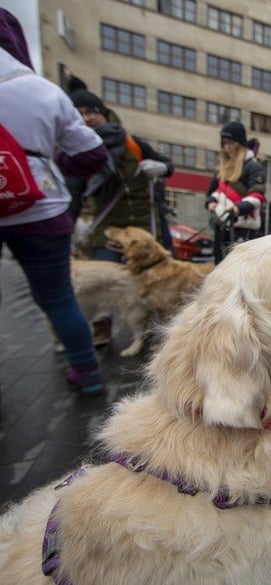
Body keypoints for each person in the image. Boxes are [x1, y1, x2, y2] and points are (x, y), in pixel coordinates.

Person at [0, 8, 109, 395]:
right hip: (39, 206)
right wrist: (44, 161)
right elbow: (94, 156)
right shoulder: (43, 91)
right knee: (59, 298)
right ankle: (88, 373)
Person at [69, 88, 173, 346]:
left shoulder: (132, 143)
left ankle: (151, 327)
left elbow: (167, 165)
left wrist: (162, 168)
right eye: (79, 113)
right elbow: (74, 192)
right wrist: (68, 228)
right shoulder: (78, 150)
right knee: (103, 280)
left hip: (142, 228)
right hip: (106, 228)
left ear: (104, 113)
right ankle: (102, 327)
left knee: (151, 277)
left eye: (91, 112)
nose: (86, 118)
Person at [205, 121, 267, 264]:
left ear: (239, 144)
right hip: (222, 226)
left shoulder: (253, 167)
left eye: (231, 143)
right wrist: (211, 202)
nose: (227, 147)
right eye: (224, 143)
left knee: (241, 269)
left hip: (243, 228)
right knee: (220, 266)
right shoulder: (222, 168)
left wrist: (238, 208)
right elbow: (216, 191)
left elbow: (257, 195)